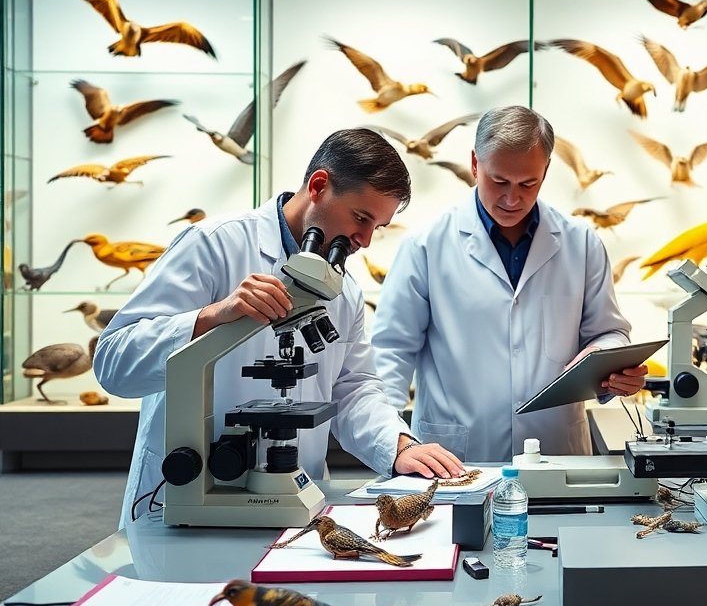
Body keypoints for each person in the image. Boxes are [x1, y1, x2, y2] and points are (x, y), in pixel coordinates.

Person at [96, 129, 464, 528]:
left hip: (296, 504)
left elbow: (354, 387)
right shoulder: (215, 244)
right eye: (361, 218)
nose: (364, 241)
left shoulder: (344, 290)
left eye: (378, 227)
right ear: (319, 186)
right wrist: (214, 316)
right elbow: (115, 361)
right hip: (188, 498)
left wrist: (397, 445)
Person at [372, 105, 642, 461]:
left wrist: (607, 361)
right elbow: (391, 352)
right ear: (474, 165)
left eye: (527, 184)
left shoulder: (582, 243)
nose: (512, 198)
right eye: (499, 181)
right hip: (454, 457)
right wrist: (390, 442)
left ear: (545, 172)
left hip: (555, 452)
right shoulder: (426, 245)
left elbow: (608, 332)